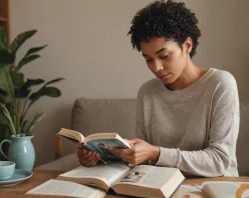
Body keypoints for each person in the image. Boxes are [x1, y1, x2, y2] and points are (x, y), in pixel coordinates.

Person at [77, 0, 240, 177]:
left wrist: (156, 153)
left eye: (164, 56)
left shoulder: (220, 84)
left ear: (187, 45)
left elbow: (220, 161)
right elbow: (145, 159)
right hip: (160, 187)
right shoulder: (147, 92)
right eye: (148, 59)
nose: (156, 68)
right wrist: (100, 158)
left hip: (214, 189)